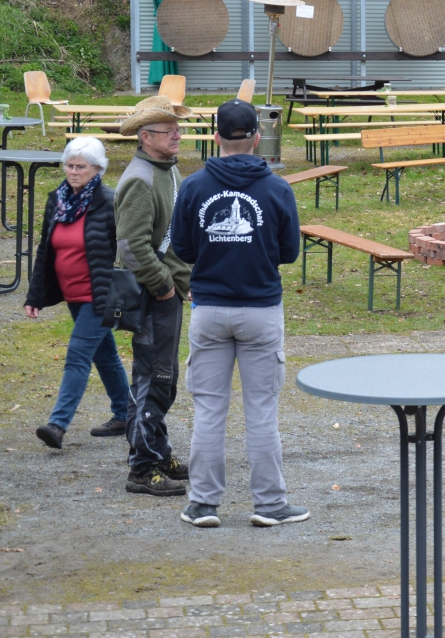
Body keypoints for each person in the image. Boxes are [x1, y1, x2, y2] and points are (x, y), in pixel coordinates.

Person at [170, 99, 306, 528]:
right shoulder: (278, 189)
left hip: (209, 308)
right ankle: (269, 504)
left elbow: (182, 248)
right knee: (261, 410)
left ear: (215, 137)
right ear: (257, 138)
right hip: (261, 309)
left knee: (209, 410)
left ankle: (202, 503)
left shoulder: (193, 186)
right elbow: (289, 252)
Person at [24, 137, 130, 448]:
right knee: (105, 355)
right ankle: (126, 413)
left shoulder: (109, 201)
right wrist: (35, 296)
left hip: (100, 296)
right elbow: (45, 251)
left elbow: (127, 248)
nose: (73, 171)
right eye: (69, 165)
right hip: (72, 294)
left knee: (78, 355)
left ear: (97, 169)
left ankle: (57, 425)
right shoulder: (56, 202)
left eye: (80, 166)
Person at [115, 95, 194, 497]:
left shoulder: (166, 169)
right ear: (146, 137)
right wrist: (164, 285)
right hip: (152, 296)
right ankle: (143, 468)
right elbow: (131, 247)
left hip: (168, 292)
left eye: (177, 128)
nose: (177, 135)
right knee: (153, 378)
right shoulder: (140, 179)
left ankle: (157, 452)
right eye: (168, 130)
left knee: (163, 377)